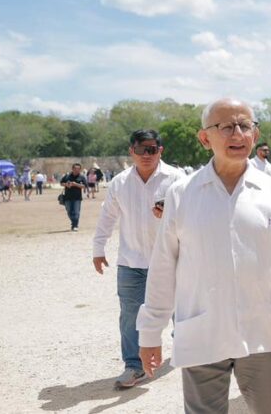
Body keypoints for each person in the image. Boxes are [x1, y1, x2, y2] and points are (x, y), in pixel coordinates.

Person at [137, 98, 271, 412]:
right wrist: (150, 331)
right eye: (225, 127)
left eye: (245, 126)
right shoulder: (182, 194)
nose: (237, 134)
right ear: (205, 138)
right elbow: (162, 268)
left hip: (260, 332)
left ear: (254, 133)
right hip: (203, 330)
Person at [92, 129, 185, 389]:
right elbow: (107, 217)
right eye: (141, 149)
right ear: (131, 151)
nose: (147, 155)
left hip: (171, 258)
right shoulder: (120, 183)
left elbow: (193, 215)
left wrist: (170, 213)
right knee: (130, 315)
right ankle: (134, 366)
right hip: (131, 262)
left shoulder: (177, 179)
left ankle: (185, 347)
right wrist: (98, 248)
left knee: (182, 309)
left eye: (152, 149)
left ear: (160, 151)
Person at [60, 164, 89, 231]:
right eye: (75, 169)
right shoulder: (67, 176)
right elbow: (61, 183)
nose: (77, 170)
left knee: (76, 212)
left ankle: (75, 225)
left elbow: (85, 186)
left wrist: (76, 184)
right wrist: (66, 185)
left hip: (77, 198)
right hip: (67, 197)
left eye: (78, 169)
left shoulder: (81, 177)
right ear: (72, 169)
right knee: (69, 211)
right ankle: (74, 223)